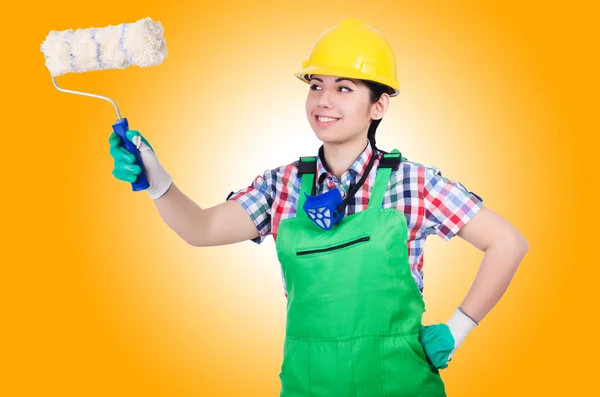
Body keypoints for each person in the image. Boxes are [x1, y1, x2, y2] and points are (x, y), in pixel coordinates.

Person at [109, 18, 529, 397]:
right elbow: (200, 229)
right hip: (308, 386)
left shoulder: (414, 183)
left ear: (378, 106)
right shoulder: (283, 185)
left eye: (344, 88)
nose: (323, 100)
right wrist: (158, 182)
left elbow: (507, 243)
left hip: (400, 384)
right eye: (316, 85)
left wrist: (458, 330)